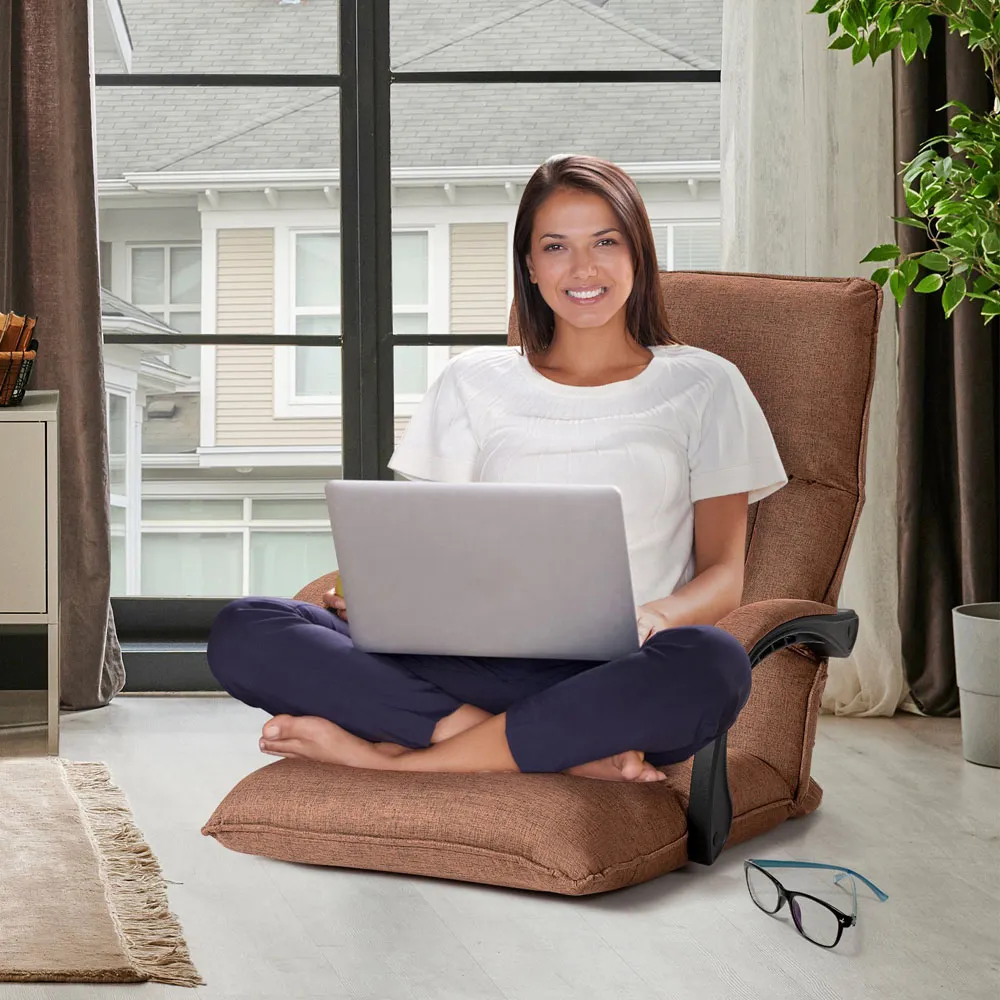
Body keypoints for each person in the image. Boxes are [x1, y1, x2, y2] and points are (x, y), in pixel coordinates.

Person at [207, 154, 788, 783]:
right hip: (468, 662)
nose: (583, 268)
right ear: (531, 267)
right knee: (249, 627)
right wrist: (375, 597)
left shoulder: (704, 383)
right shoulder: (471, 380)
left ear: (637, 254)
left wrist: (657, 617)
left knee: (713, 663)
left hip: (616, 671)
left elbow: (725, 576)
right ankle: (533, 748)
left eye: (605, 242)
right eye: (556, 246)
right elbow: (425, 544)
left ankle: (399, 759)